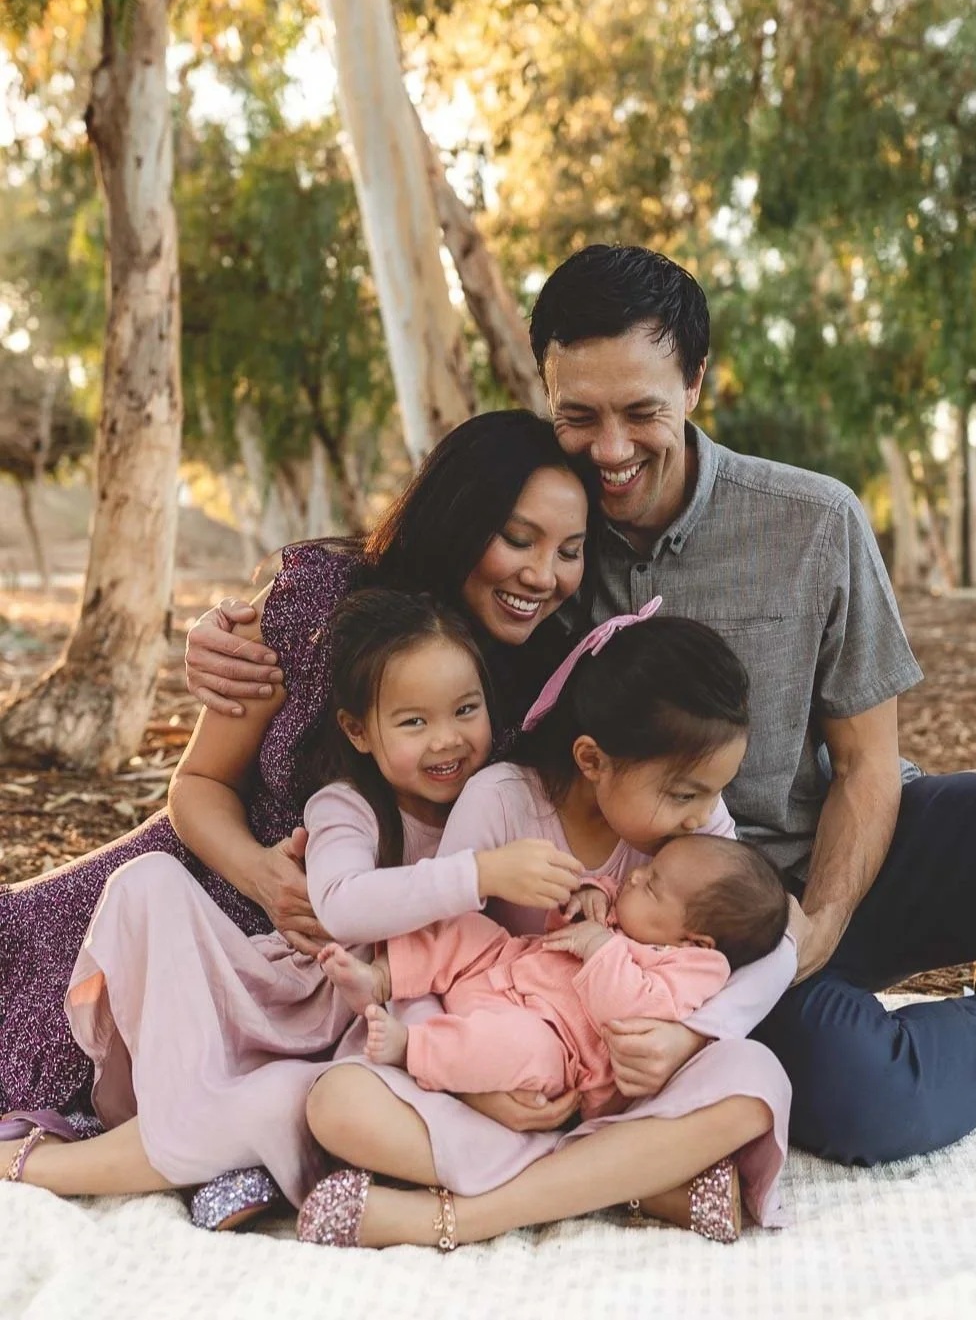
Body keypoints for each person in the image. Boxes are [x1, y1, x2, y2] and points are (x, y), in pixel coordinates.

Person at [197, 245, 976, 1168]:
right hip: (683, 928)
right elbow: (394, 597)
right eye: (579, 415)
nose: (610, 450)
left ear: (695, 380)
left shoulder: (815, 520)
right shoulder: (536, 550)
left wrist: (815, 925)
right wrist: (234, 627)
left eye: (641, 412)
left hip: (855, 849)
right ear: (546, 392)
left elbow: (863, 764)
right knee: (868, 1099)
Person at [0, 410, 596, 1220]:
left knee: (313, 1095)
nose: (544, 575)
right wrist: (266, 874)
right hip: (200, 907)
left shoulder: (540, 689)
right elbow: (199, 783)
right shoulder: (317, 604)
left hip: (350, 992)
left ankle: (163, 1151)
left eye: (569, 550)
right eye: (518, 539)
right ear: (461, 518)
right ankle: (169, 1142)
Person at [296, 603, 793, 1250]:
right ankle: (634, 1180)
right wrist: (476, 1092)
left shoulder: (691, 836)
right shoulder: (502, 800)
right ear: (591, 758)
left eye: (712, 793)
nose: (702, 816)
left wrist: (685, 1038)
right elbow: (440, 948)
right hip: (496, 1056)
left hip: (609, 1082)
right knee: (337, 1104)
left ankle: (461, 1215)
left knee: (755, 1081)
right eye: (683, 793)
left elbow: (774, 948)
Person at [319, 833, 788, 1120]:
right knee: (463, 927)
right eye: (648, 870)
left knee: (516, 1051)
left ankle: (412, 1049)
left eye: (654, 885)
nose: (636, 879)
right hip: (504, 965)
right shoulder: (622, 910)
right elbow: (561, 929)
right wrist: (583, 900)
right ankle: (379, 978)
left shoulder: (696, 968)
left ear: (696, 939)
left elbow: (632, 1010)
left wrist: (601, 949)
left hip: (556, 1043)